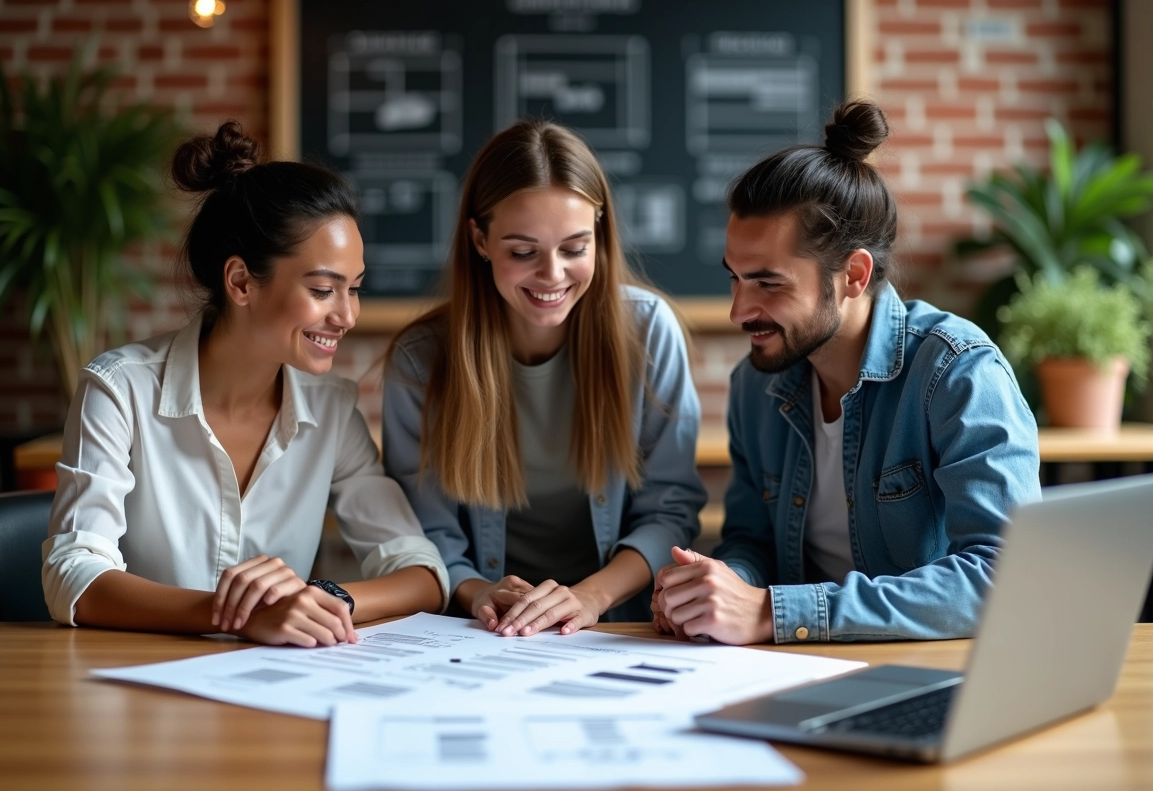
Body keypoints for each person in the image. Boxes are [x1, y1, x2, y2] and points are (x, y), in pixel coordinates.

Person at [42, 122, 449, 647]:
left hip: (267, 690)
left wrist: (321, 599)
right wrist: (234, 614)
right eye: (324, 290)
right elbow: (73, 575)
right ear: (240, 282)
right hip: (137, 687)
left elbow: (422, 572)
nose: (347, 315)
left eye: (355, 289)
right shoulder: (120, 391)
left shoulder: (331, 410)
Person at [653, 100, 1041, 645]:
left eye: (768, 283)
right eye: (735, 279)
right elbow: (753, 543)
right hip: (795, 669)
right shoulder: (754, 388)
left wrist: (772, 612)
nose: (739, 310)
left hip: (928, 676)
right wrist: (718, 589)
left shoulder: (957, 372)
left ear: (853, 275)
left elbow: (1005, 577)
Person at [383, 120, 705, 636]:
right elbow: (428, 530)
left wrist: (589, 597)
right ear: (480, 240)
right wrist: (477, 591)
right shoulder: (421, 361)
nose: (552, 275)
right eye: (523, 252)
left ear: (599, 235)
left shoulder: (649, 333)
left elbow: (669, 509)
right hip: (480, 630)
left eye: (575, 249)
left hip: (617, 627)